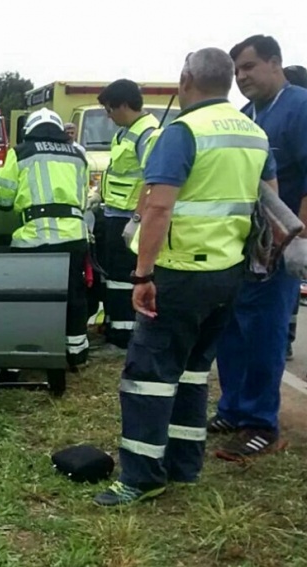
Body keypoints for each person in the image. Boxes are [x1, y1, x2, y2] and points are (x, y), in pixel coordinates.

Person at [94, 47, 275, 506]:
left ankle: (141, 475)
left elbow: (158, 206)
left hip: (178, 274)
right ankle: (183, 464)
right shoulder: (255, 133)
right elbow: (268, 203)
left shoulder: (183, 131)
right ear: (229, 81)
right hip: (227, 273)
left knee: (148, 377)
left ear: (186, 80)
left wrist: (142, 275)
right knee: (194, 372)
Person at [211, 35, 307, 460]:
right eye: (236, 71)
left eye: (248, 67)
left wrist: (300, 239)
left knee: (265, 332)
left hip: (282, 244)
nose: (241, 77)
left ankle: (260, 423)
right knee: (232, 328)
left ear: (275, 62)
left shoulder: (300, 107)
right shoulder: (247, 115)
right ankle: (233, 408)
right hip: (244, 245)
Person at [0, 109, 90, 369]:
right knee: (74, 293)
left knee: (25, 298)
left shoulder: (21, 152)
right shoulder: (78, 154)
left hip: (33, 237)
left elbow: (4, 199)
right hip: (73, 235)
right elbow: (83, 199)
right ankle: (75, 353)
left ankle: (19, 356)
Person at [97, 80, 160, 351]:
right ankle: (114, 326)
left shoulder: (149, 134)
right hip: (113, 213)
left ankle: (125, 337)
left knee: (125, 276)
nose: (108, 116)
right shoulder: (125, 132)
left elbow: (153, 181)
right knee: (113, 275)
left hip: (129, 217)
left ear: (124, 105)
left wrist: (137, 219)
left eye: (110, 110)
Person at [283, 64, 307, 360]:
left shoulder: (298, 116)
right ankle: (285, 338)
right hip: (290, 222)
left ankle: (285, 339)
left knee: (288, 283)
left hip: (294, 223)